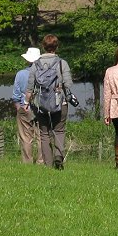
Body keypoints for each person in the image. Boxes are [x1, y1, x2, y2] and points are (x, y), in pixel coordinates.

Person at [26, 34, 76, 170]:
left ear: (43, 46)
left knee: (44, 133)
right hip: (60, 102)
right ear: (57, 46)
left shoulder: (36, 64)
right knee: (59, 130)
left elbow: (30, 86)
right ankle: (59, 156)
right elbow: (69, 84)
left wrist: (27, 102)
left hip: (41, 103)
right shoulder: (62, 63)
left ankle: (48, 165)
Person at [13, 47, 43, 164]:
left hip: (24, 107)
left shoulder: (20, 74)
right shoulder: (44, 74)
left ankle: (27, 161)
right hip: (41, 108)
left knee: (26, 137)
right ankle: (42, 161)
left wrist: (19, 107)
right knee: (42, 136)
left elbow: (15, 94)